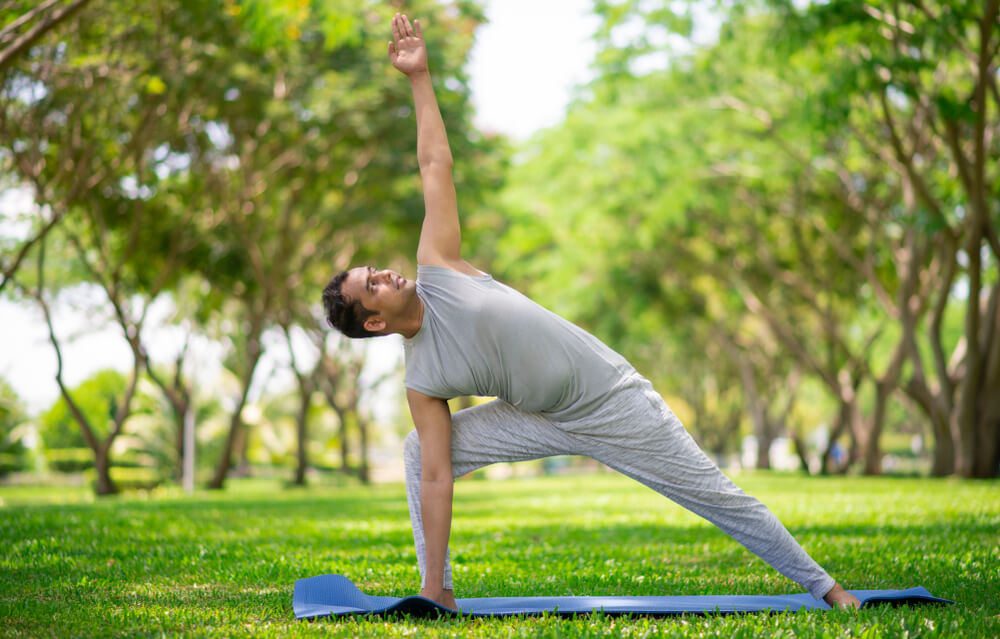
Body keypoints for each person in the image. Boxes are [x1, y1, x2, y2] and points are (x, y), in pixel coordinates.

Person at [321, 12, 862, 612]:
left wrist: (419, 78)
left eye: (376, 269)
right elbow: (436, 479)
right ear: (373, 320)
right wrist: (429, 586)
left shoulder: (439, 268)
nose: (387, 273)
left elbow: (434, 167)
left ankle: (829, 590)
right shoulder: (422, 379)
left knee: (716, 496)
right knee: (421, 453)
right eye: (373, 284)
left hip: (611, 400)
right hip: (539, 416)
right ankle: (437, 592)